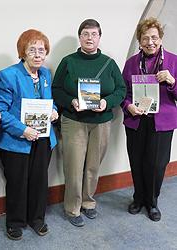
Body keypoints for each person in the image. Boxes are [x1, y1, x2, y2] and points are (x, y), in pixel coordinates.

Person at [52, 19, 126, 227]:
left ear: (99, 38)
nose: (89, 38)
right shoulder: (68, 61)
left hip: (101, 122)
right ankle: (72, 207)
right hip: (74, 120)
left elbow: (121, 90)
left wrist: (106, 102)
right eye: (85, 34)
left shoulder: (109, 63)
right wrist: (71, 101)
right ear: (80, 37)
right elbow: (56, 89)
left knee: (93, 165)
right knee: (74, 166)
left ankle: (88, 202)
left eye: (94, 34)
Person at [0, 29, 58, 240]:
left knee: (39, 180)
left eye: (42, 50)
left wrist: (54, 110)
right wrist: (23, 130)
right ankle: (15, 221)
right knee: (17, 182)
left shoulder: (46, 74)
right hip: (16, 141)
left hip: (43, 138)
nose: (38, 54)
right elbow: (0, 112)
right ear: (23, 52)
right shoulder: (8, 75)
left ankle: (37, 218)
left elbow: (49, 101)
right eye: (32, 50)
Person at [121, 17, 177, 222]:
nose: (150, 42)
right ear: (139, 41)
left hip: (161, 121)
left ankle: (152, 202)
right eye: (145, 38)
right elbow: (122, 93)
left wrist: (172, 81)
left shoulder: (173, 61)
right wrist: (129, 106)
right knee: (136, 161)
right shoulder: (131, 63)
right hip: (137, 119)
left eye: (154, 37)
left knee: (156, 164)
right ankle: (138, 198)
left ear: (161, 39)